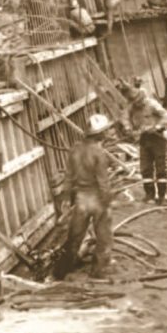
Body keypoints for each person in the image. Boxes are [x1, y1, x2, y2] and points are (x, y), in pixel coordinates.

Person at [54, 113, 124, 279]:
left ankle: (62, 270)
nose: (108, 133)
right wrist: (108, 201)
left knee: (75, 236)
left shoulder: (75, 149)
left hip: (81, 199)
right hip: (96, 198)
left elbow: (68, 177)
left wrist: (66, 198)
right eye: (106, 130)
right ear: (100, 133)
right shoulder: (99, 153)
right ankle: (99, 269)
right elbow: (103, 182)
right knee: (104, 236)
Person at [121, 82, 167, 204]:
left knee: (160, 168)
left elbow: (166, 115)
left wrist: (157, 126)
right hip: (144, 139)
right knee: (145, 168)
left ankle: (162, 195)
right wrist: (128, 128)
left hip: (157, 138)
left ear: (141, 98)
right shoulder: (131, 107)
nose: (136, 104)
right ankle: (149, 194)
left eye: (137, 102)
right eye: (134, 102)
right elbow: (124, 117)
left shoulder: (152, 104)